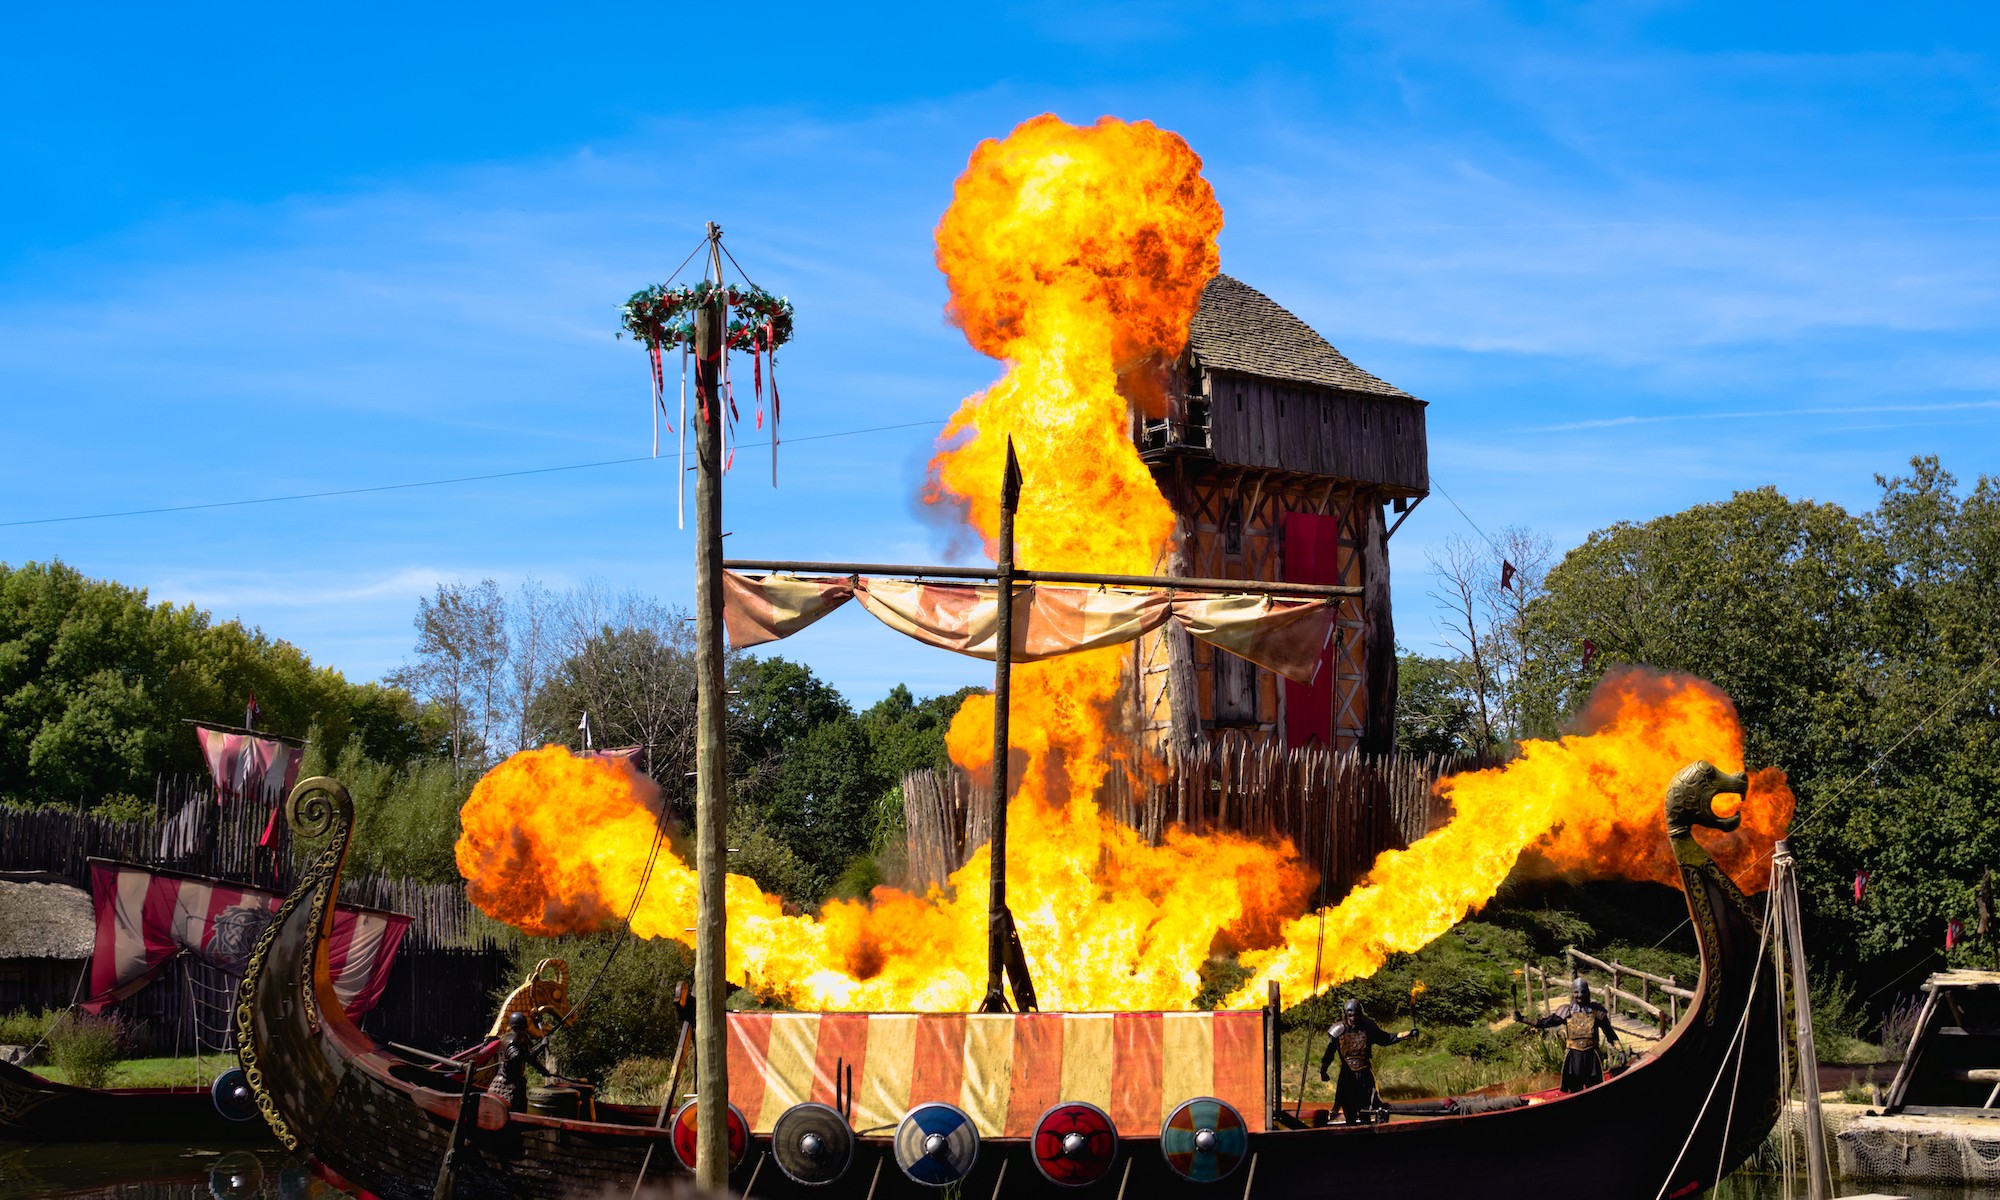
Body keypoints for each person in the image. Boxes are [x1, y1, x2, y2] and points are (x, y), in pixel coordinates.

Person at [1319, 998, 1417, 1124]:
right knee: (1349, 1111)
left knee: (1367, 1110)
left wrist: (1407, 1034)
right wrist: (1323, 1070)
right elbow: (1329, 1053)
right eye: (1350, 1014)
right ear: (1346, 1014)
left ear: (1360, 1013)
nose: (1353, 1018)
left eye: (1356, 1014)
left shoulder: (1368, 1027)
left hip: (1365, 1074)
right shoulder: (1337, 1030)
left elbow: (1385, 1038)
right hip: (1347, 1075)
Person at [1519, 977, 1621, 1093]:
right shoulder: (1566, 1012)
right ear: (1572, 993)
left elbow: (1609, 1033)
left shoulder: (1596, 1011)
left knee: (1595, 1088)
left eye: (1582, 992)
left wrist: (1620, 1050)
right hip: (1574, 1056)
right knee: (1575, 1088)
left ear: (1587, 991)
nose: (1579, 995)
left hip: (1592, 1056)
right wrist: (1523, 1019)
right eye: (1576, 992)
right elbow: (1545, 1023)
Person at [486, 1011, 554, 1113]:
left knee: (520, 1111)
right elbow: (520, 1057)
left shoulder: (523, 1039)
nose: (523, 1031)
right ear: (515, 1029)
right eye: (520, 1029)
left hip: (518, 1083)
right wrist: (542, 1046)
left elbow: (530, 1058)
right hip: (506, 1083)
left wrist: (542, 1070)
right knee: (505, 1112)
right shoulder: (509, 1041)